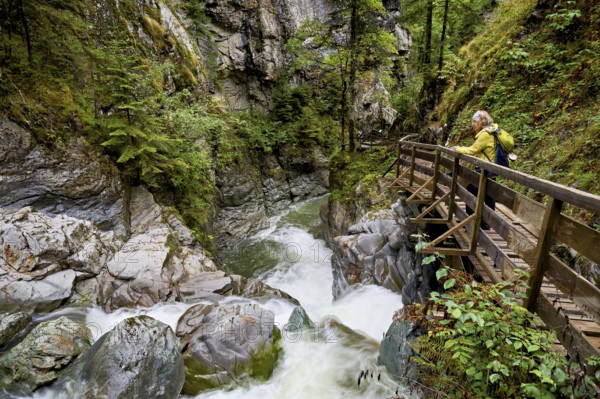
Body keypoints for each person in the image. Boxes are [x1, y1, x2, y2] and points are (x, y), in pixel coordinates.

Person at [450, 110, 500, 230]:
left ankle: (473, 220)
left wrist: (458, 149)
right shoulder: (490, 132)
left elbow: (473, 150)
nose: (473, 124)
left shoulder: (485, 134)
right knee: (486, 194)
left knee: (474, 192)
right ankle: (483, 221)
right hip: (488, 169)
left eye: (475, 121)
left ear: (482, 122)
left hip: (486, 170)